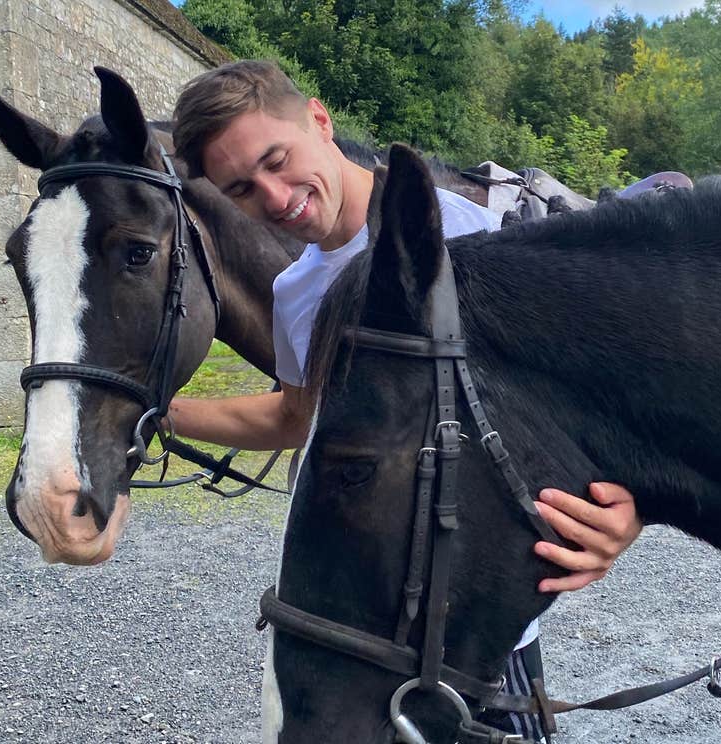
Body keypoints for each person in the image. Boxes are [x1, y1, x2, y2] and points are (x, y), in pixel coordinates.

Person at [169, 60, 642, 741]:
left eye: (278, 160)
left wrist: (623, 511)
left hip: (481, 614)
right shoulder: (295, 294)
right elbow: (294, 416)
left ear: (320, 121)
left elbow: (580, 394)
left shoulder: (466, 231)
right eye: (242, 189)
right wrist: (162, 410)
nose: (273, 197)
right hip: (363, 609)